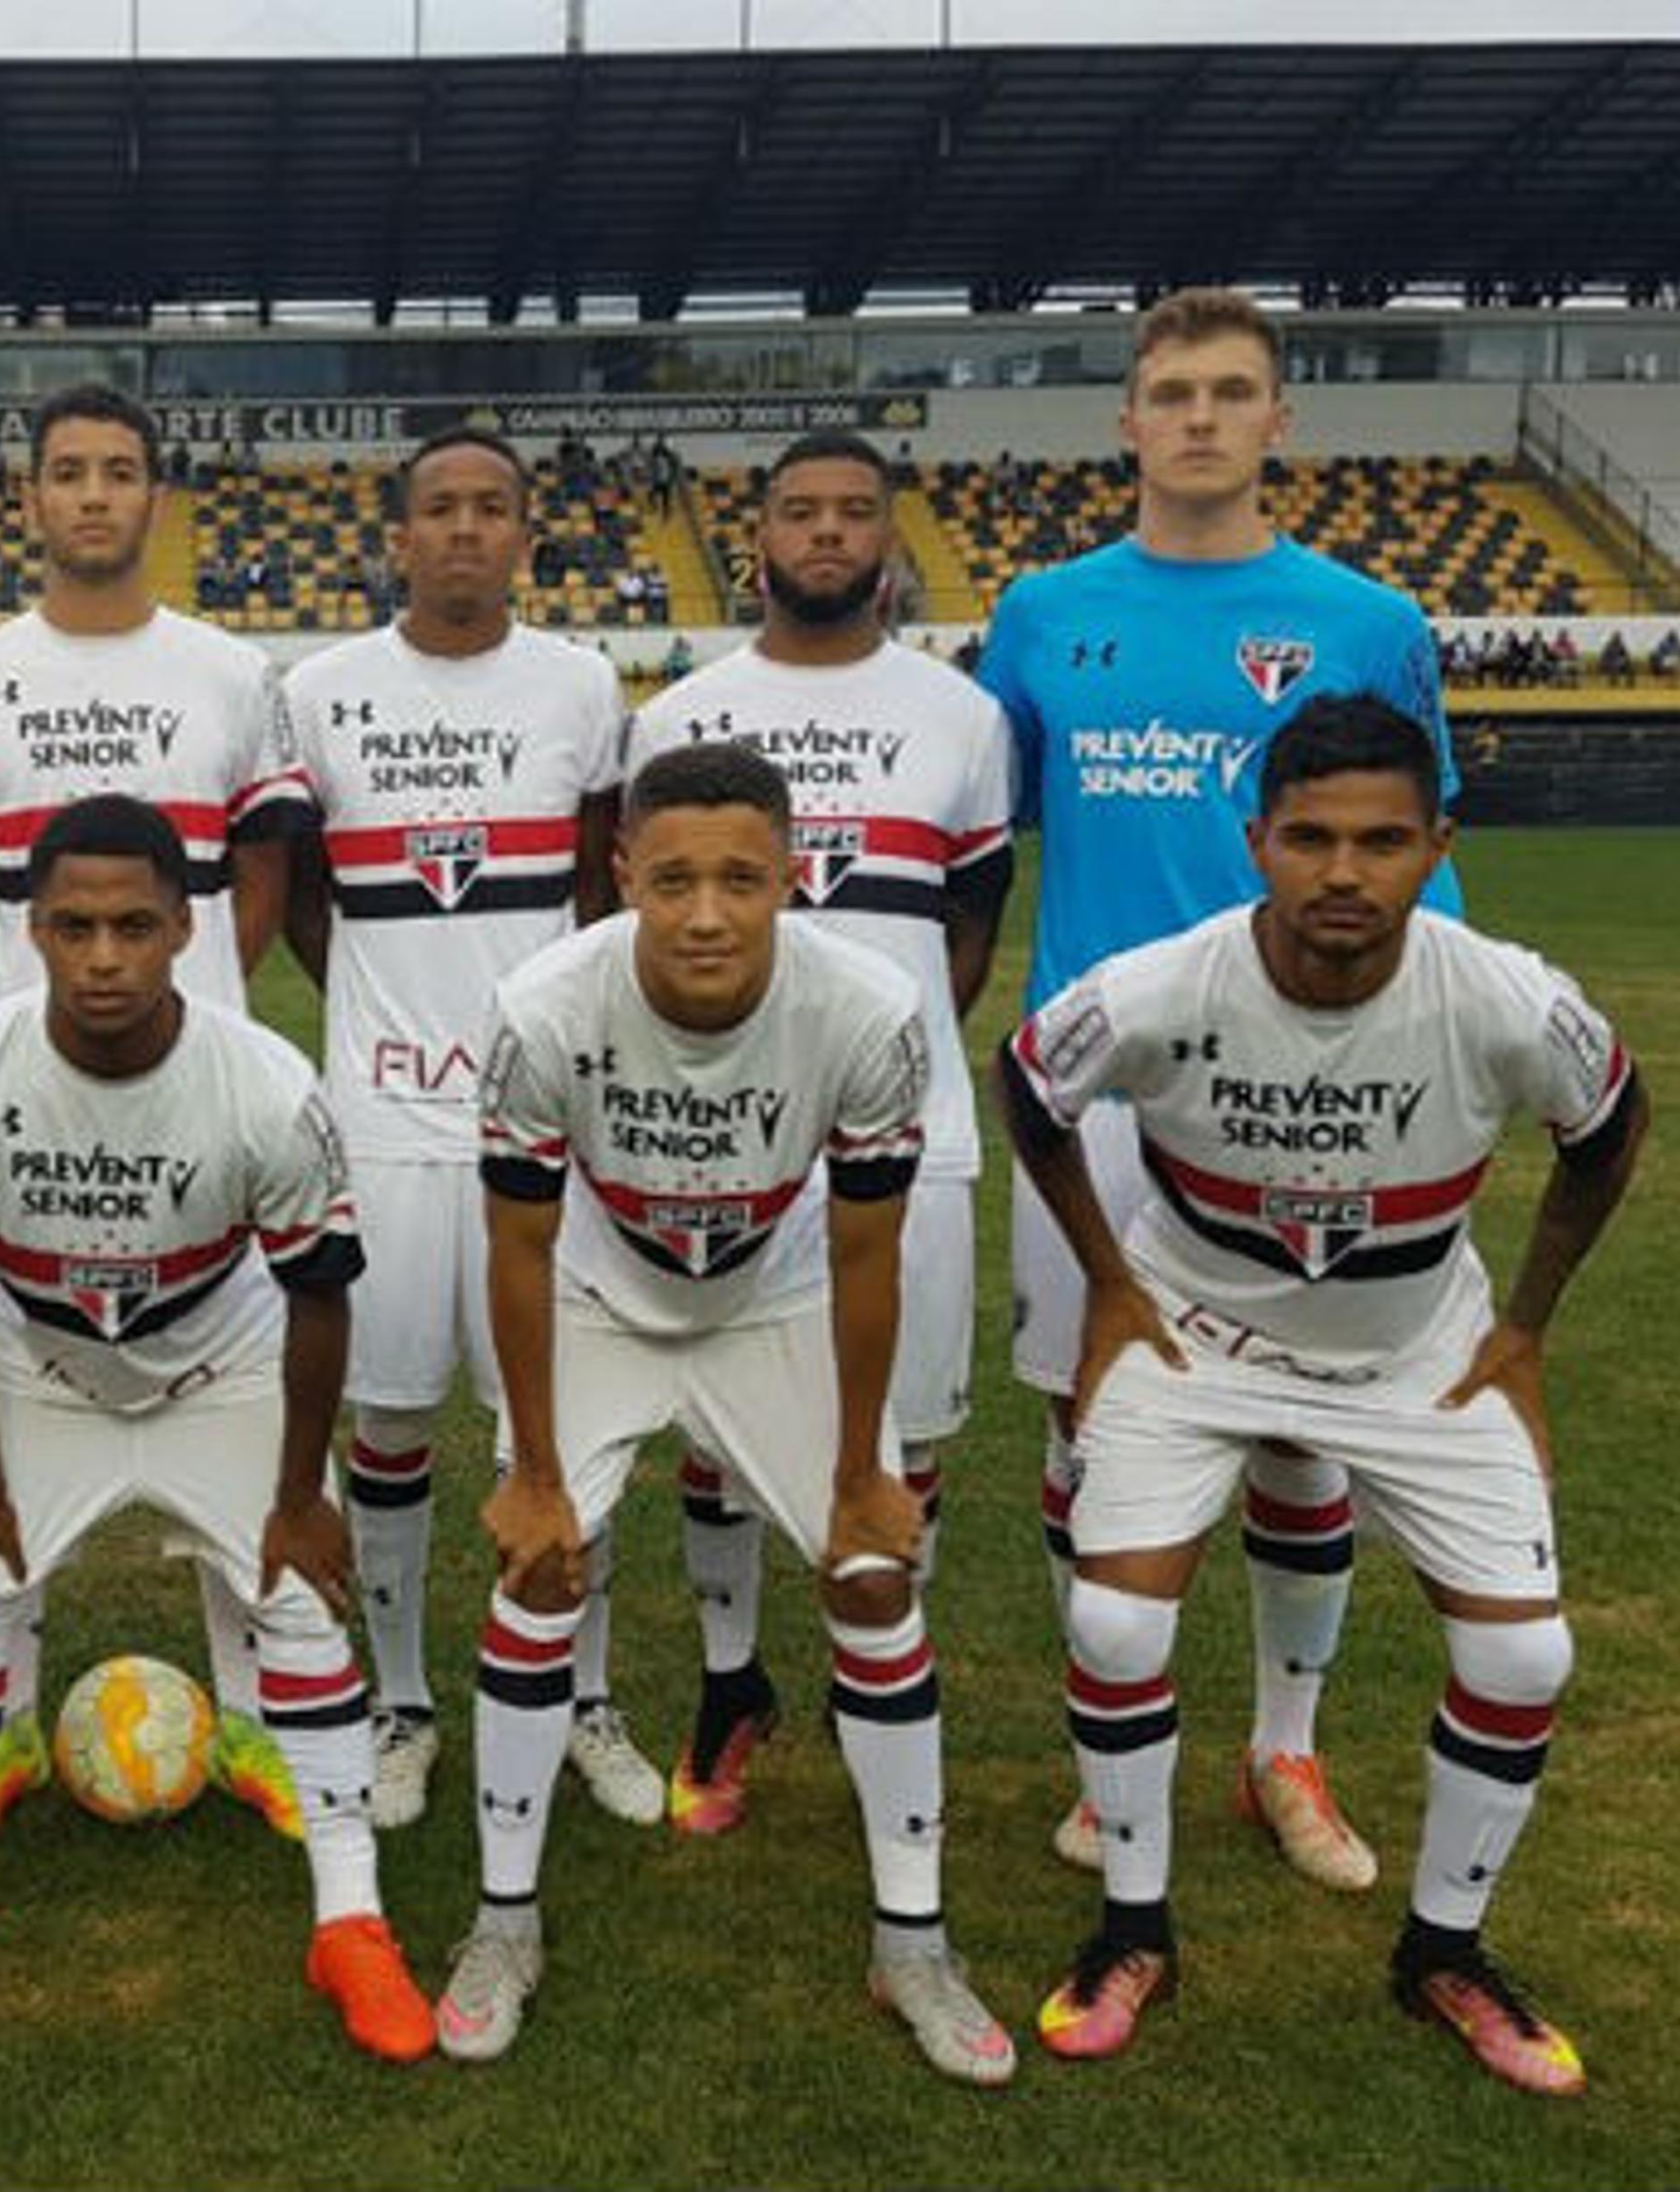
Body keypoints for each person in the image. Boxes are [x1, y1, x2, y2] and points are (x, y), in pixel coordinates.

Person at [1001, 695, 1645, 2097]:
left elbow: (1610, 1125)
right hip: (1193, 1335)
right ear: (1257, 842)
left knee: (1527, 1661)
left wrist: (1525, 1328)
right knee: (1114, 1615)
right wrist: (1111, 1285)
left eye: (1382, 840)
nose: (1343, 872)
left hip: (1424, 1347)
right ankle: (1131, 1925)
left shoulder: (1504, 994)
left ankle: (1444, 1952)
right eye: (1309, 839)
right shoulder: (1168, 983)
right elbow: (1030, 1083)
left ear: (1438, 844)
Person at [976, 284, 1465, 1891]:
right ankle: (1112, 1748)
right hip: (1102, 1088)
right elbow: (992, 839)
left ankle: (1286, 1745)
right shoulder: (1042, 614)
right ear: (1128, 422)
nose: (1198, 417)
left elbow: (1420, 873)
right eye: (1171, 391)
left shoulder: (1369, 620)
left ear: (1279, 422)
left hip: (1299, 1083)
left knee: (1308, 1430)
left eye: (1230, 391)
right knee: (1092, 1418)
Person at [0, 795, 437, 2064]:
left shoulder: (267, 1079)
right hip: (37, 1366)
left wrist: (297, 1492)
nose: (105, 956)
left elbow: (320, 1296)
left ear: (184, 929)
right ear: (30, 929)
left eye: (135, 926)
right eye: (76, 927)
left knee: (299, 1598)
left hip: (225, 1361)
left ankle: (353, 1922)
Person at [432, 742, 1012, 2086]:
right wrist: (529, 1469)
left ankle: (913, 1941)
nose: (706, 912)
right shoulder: (540, 1006)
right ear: (621, 872)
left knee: (874, 1579)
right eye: (674, 877)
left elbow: (869, 1254)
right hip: (597, 1296)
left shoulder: (867, 1012)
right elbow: (516, 1245)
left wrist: (866, 1466)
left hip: (773, 1298)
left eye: (742, 878)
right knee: (538, 1569)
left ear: (793, 877)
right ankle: (502, 1921)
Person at [0, 384, 318, 1841]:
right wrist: (11, 1008)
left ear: (157, 495)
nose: (93, 495)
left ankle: (259, 1724)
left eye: (121, 471)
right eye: (68, 472)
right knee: (17, 1384)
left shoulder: (228, 670)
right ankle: (6, 1725)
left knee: (236, 1378)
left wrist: (215, 997)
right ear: (29, 498)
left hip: (198, 1085)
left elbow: (264, 857)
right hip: (35, 1084)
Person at [622, 431, 1014, 1838]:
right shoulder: (682, 714)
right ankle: (733, 1682)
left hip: (914, 1131)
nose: (830, 533)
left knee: (905, 1428)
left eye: (857, 512)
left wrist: (883, 1050)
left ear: (892, 537)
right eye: (802, 511)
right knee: (717, 1427)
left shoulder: (963, 718)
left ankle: (878, 1659)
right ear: (760, 537)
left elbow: (970, 921)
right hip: (717, 1140)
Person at [278, 427, 638, 1832]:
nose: (468, 530)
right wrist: (379, 1016)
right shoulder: (319, 692)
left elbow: (605, 885)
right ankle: (406, 1699)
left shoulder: (580, 684)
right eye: (442, 509)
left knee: (558, 1428)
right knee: (389, 1415)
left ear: (526, 532)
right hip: (381, 1114)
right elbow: (306, 895)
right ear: (398, 534)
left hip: (543, 1121)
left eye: (494, 508)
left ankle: (586, 1689)